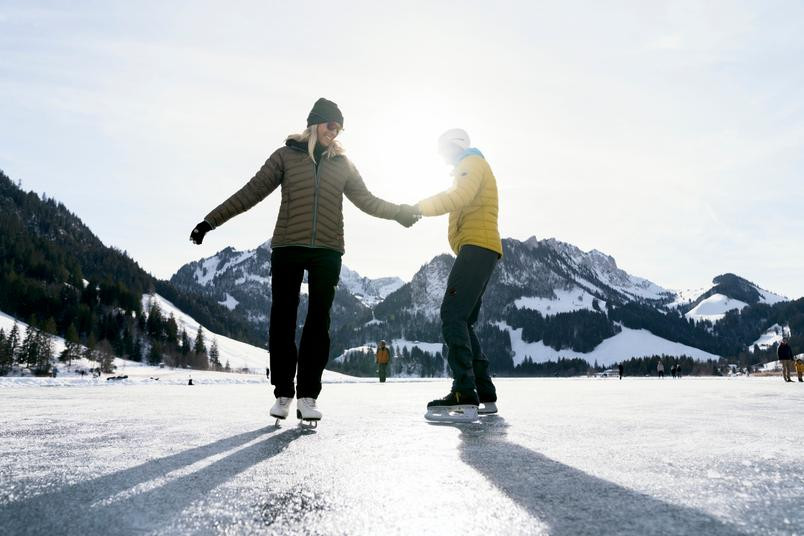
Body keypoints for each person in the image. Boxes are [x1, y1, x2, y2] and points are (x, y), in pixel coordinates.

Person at [190, 98, 418, 423]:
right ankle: (283, 393)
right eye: (330, 124)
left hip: (328, 250)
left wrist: (398, 212)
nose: (335, 131)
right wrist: (209, 222)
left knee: (318, 322)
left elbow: (366, 200)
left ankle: (308, 396)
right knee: (282, 318)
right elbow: (250, 192)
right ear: (314, 124)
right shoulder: (285, 156)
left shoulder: (343, 164)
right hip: (288, 247)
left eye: (339, 127)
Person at [412, 128, 502, 420]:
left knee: (452, 315)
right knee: (465, 320)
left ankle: (464, 392)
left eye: (442, 150)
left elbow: (458, 197)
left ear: (454, 146)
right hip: (481, 248)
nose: (442, 157)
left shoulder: (470, 164)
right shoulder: (471, 166)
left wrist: (419, 208)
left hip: (477, 248)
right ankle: (484, 391)